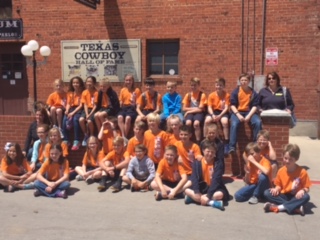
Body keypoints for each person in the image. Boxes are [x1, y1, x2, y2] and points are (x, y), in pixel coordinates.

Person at [263, 144, 311, 216]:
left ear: (296, 159)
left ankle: (278, 207)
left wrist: (302, 190)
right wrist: (276, 189)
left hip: (296, 196)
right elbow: (278, 185)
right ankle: (295, 207)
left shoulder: (302, 172)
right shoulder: (281, 171)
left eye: (291, 159)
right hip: (284, 195)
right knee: (267, 192)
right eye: (285, 158)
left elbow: (307, 188)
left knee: (306, 197)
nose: (287, 161)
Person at [184, 141, 229, 210]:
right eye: (208, 151)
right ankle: (212, 203)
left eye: (212, 152)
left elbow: (216, 180)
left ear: (215, 153)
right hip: (202, 186)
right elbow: (194, 177)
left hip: (214, 188)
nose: (210, 154)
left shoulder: (218, 163)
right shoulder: (197, 162)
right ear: (203, 151)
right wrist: (196, 191)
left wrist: (209, 195)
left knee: (220, 195)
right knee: (187, 190)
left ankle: (193, 199)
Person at [229, 73, 262, 153]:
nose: (243, 82)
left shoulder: (253, 93)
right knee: (234, 124)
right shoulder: (235, 92)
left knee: (258, 122)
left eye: (245, 80)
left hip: (249, 112)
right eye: (242, 80)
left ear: (249, 81)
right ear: (239, 81)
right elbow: (232, 105)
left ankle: (256, 144)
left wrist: (249, 116)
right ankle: (232, 147)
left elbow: (255, 106)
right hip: (237, 112)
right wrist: (238, 115)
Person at [204, 78, 230, 154]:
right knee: (207, 120)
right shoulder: (211, 95)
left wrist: (220, 115)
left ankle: (226, 142)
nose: (218, 86)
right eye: (217, 85)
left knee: (225, 122)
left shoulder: (226, 95)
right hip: (213, 111)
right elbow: (209, 107)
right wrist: (212, 115)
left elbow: (226, 108)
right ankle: (205, 139)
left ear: (224, 86)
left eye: (220, 85)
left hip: (222, 112)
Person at [62, 76, 85, 150]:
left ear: (80, 84)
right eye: (74, 83)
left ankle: (76, 140)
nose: (75, 84)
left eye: (77, 83)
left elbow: (81, 105)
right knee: (65, 119)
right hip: (71, 108)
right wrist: (67, 110)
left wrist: (73, 113)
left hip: (79, 109)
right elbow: (68, 103)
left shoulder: (83, 93)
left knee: (75, 119)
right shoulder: (70, 93)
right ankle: (66, 139)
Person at [182, 77, 207, 144]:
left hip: (199, 113)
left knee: (196, 124)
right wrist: (195, 109)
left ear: (199, 85)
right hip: (191, 113)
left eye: (195, 85)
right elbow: (184, 108)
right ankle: (188, 139)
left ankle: (198, 141)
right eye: (192, 85)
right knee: (188, 123)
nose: (193, 87)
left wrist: (189, 111)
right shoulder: (188, 95)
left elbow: (201, 109)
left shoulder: (202, 95)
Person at [118, 74, 141, 138]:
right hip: (124, 108)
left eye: (130, 80)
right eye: (126, 80)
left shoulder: (137, 90)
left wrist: (134, 103)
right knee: (119, 117)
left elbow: (138, 102)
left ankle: (124, 137)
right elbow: (121, 101)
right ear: (124, 81)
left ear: (132, 81)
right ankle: (124, 136)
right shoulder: (123, 90)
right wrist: (120, 106)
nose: (128, 82)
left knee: (128, 118)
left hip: (132, 108)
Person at [79, 76, 98, 146]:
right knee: (81, 120)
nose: (89, 83)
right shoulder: (84, 92)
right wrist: (87, 114)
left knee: (89, 121)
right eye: (87, 82)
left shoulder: (96, 92)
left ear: (94, 83)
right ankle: (86, 134)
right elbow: (85, 104)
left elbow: (96, 106)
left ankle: (92, 135)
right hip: (87, 110)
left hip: (93, 110)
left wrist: (90, 115)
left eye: (90, 82)